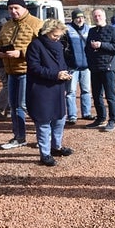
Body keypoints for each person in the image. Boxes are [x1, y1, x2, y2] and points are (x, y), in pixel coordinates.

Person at [0, 0, 44, 149]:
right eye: (10, 8)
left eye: (16, 8)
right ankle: (19, 137)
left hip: (28, 71)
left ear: (24, 8)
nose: (13, 11)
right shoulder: (6, 25)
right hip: (11, 71)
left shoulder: (36, 24)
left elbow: (42, 48)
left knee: (27, 105)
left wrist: (21, 53)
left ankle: (44, 137)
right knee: (14, 106)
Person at [26, 19, 74, 166]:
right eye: (55, 35)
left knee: (60, 119)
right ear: (47, 32)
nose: (57, 38)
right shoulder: (35, 45)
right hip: (41, 89)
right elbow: (34, 67)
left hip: (57, 87)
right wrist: (55, 75)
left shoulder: (59, 45)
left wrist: (65, 73)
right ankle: (45, 154)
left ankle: (56, 147)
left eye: (59, 35)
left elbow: (62, 64)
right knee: (44, 121)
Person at [84, 9, 115, 132]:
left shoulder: (113, 30)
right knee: (96, 96)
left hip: (108, 68)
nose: (97, 18)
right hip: (95, 68)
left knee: (110, 96)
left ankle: (112, 120)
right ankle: (100, 117)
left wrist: (101, 45)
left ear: (104, 16)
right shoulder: (91, 31)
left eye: (99, 15)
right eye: (95, 16)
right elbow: (87, 48)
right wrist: (90, 57)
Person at [61, 8, 95, 124]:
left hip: (86, 66)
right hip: (72, 67)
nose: (80, 20)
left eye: (82, 17)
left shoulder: (89, 29)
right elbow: (62, 48)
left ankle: (86, 113)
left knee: (86, 91)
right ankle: (72, 115)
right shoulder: (67, 30)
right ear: (73, 19)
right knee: (71, 92)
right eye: (77, 18)